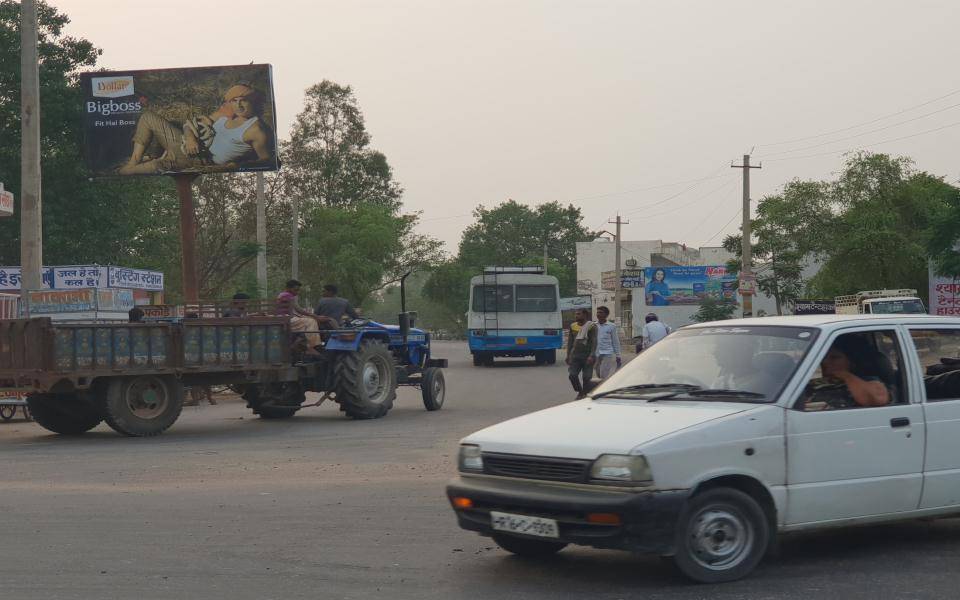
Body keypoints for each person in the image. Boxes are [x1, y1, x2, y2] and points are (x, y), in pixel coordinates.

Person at [118, 82, 274, 175]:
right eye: (234, 101)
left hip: (200, 161)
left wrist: (237, 166)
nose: (238, 105)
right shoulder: (226, 114)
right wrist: (190, 138)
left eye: (244, 100)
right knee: (147, 117)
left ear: (252, 101)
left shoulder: (255, 130)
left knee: (128, 171)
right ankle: (134, 161)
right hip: (187, 145)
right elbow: (190, 124)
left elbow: (266, 160)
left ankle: (135, 167)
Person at [803, 337, 891, 409]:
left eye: (834, 357)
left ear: (852, 362)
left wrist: (845, 376)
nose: (825, 362)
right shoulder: (814, 384)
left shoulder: (870, 381)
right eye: (823, 357)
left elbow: (879, 399)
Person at [276, 279, 330, 353]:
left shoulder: (282, 295)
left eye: (298, 290)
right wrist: (316, 317)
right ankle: (313, 345)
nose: (297, 292)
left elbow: (295, 311)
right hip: (286, 319)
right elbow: (298, 309)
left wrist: (310, 316)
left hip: (285, 318)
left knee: (308, 320)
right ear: (288, 288)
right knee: (311, 321)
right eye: (295, 290)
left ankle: (300, 343)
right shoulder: (287, 295)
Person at [566, 308, 598, 399]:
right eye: (576, 314)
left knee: (587, 377)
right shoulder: (573, 326)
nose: (576, 316)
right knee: (572, 375)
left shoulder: (591, 326)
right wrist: (568, 355)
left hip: (588, 356)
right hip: (575, 356)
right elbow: (570, 342)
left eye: (578, 314)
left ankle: (584, 394)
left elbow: (594, 341)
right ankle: (580, 391)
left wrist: (592, 355)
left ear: (585, 315)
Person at [594, 306, 622, 380]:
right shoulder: (594, 326)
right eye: (597, 312)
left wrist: (618, 355)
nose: (598, 314)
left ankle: (603, 385)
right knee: (598, 374)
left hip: (607, 353)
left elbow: (615, 341)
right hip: (596, 353)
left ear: (606, 315)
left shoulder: (612, 326)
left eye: (601, 312)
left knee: (603, 375)